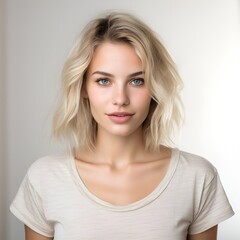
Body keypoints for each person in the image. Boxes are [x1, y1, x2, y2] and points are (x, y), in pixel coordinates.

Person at [10, 11, 234, 240]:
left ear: (155, 88)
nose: (120, 98)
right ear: (83, 88)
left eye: (137, 81)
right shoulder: (44, 178)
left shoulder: (196, 177)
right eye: (103, 81)